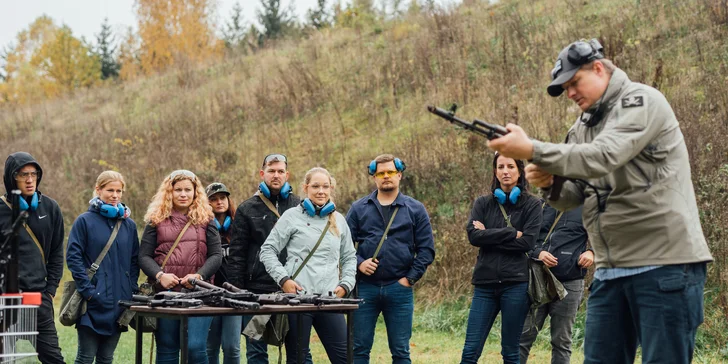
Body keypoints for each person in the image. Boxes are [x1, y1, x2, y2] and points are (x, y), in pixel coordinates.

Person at [488, 39, 713, 364]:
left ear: (598, 68)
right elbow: (574, 197)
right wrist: (551, 184)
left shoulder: (642, 101)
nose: (571, 93)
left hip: (665, 263)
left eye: (574, 83)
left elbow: (604, 155)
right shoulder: (581, 127)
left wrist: (533, 150)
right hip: (610, 268)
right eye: (565, 89)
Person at [259, 167, 356, 364]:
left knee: (346, 358)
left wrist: (345, 284)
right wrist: (284, 279)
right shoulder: (291, 217)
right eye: (316, 186)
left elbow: (349, 258)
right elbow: (267, 250)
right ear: (305, 188)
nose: (321, 191)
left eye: (325, 186)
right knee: (297, 360)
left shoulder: (339, 220)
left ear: (331, 189)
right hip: (298, 300)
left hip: (329, 299)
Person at [345, 154, 435, 364]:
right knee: (358, 349)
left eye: (390, 172)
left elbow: (427, 250)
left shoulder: (415, 209)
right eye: (381, 173)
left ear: (399, 175)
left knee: (401, 351)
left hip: (399, 289)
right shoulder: (358, 208)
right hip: (364, 288)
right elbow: (343, 247)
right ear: (374, 177)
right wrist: (359, 263)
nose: (386, 177)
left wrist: (409, 279)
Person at [460, 153, 542, 364]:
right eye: (501, 166)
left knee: (510, 352)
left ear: (519, 171)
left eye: (511, 166)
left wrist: (489, 234)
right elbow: (474, 236)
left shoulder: (532, 205)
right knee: (469, 352)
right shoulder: (483, 203)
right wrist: (512, 232)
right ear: (495, 171)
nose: (505, 171)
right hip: (484, 285)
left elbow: (527, 243)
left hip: (516, 284)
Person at [139, 169, 222, 364]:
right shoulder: (156, 219)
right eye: (178, 190)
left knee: (195, 347)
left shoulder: (206, 219)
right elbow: (143, 256)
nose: (183, 194)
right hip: (165, 295)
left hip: (200, 294)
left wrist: (199, 277)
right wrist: (160, 276)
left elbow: (216, 255)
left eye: (187, 190)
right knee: (167, 348)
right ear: (170, 192)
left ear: (195, 192)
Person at [228, 153, 302, 364]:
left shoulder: (300, 206)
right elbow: (237, 254)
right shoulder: (246, 208)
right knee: (256, 352)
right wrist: (239, 292)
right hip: (257, 293)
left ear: (287, 175)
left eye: (280, 171)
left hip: (294, 290)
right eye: (271, 171)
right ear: (262, 174)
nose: (276, 175)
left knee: (297, 351)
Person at [66, 171, 139, 364]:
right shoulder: (84, 221)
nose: (115, 195)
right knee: (85, 357)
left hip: (119, 302)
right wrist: (89, 291)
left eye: (119, 191)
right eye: (110, 190)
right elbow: (73, 258)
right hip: (92, 303)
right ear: (98, 190)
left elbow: (134, 260)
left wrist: (130, 289)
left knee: (107, 358)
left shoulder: (128, 225)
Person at [0, 152, 65, 363]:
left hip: (38, 300)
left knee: (54, 359)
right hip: (4, 301)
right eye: (23, 174)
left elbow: (56, 252)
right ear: (12, 178)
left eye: (33, 174)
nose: (29, 180)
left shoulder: (51, 208)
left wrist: (50, 290)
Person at [519, 204, 592, 364]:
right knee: (522, 337)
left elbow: (603, 236)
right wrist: (538, 253)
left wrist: (591, 252)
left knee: (561, 341)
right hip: (538, 279)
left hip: (570, 281)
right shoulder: (539, 206)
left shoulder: (588, 207)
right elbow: (524, 239)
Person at [204, 182, 241, 364]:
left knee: (232, 347)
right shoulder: (202, 228)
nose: (219, 202)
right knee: (210, 347)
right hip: (209, 294)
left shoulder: (240, 227)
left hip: (234, 294)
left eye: (222, 198)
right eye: (213, 199)